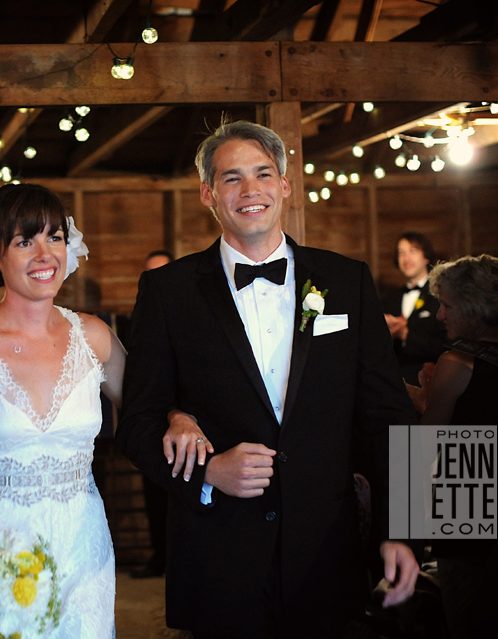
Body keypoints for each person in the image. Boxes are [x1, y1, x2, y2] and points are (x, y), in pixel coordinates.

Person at [118, 119, 420, 638]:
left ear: (285, 184)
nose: (250, 190)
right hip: (219, 557)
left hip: (329, 551)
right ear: (208, 194)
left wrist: (404, 531)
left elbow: (388, 417)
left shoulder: (347, 280)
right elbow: (138, 423)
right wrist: (207, 472)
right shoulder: (168, 291)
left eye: (263, 174)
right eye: (232, 178)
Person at [0, 183, 209, 638]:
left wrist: (180, 417)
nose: (45, 255)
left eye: (54, 237)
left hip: (80, 543)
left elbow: (148, 409)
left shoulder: (94, 337)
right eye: (25, 241)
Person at [409, 254, 498, 639]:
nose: (440, 315)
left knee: (466, 620)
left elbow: (425, 447)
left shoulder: (458, 361)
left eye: (447, 305)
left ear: (474, 307)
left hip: (468, 500)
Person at [130, 249, 174, 580]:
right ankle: (159, 554)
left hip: (186, 422)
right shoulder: (143, 311)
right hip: (153, 422)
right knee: (153, 493)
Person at [382, 232, 448, 384]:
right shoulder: (390, 300)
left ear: (426, 257)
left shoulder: (440, 296)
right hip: (395, 380)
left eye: (412, 251)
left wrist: (406, 334)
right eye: (401, 253)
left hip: (432, 380)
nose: (406, 258)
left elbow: (446, 345)